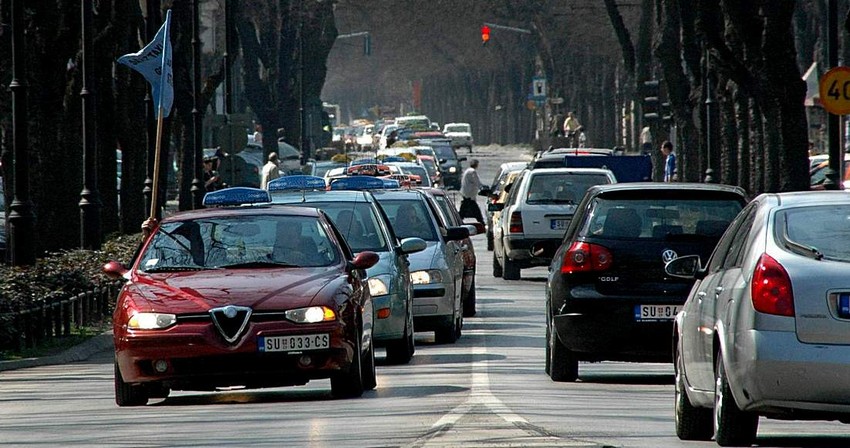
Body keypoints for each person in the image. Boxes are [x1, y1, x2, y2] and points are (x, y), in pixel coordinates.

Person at [459, 159, 484, 224]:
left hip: (466, 194)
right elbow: (477, 182)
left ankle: (459, 220)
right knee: (475, 209)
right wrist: (482, 188)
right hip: (469, 195)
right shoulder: (472, 172)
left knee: (464, 209)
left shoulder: (468, 171)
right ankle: (481, 221)